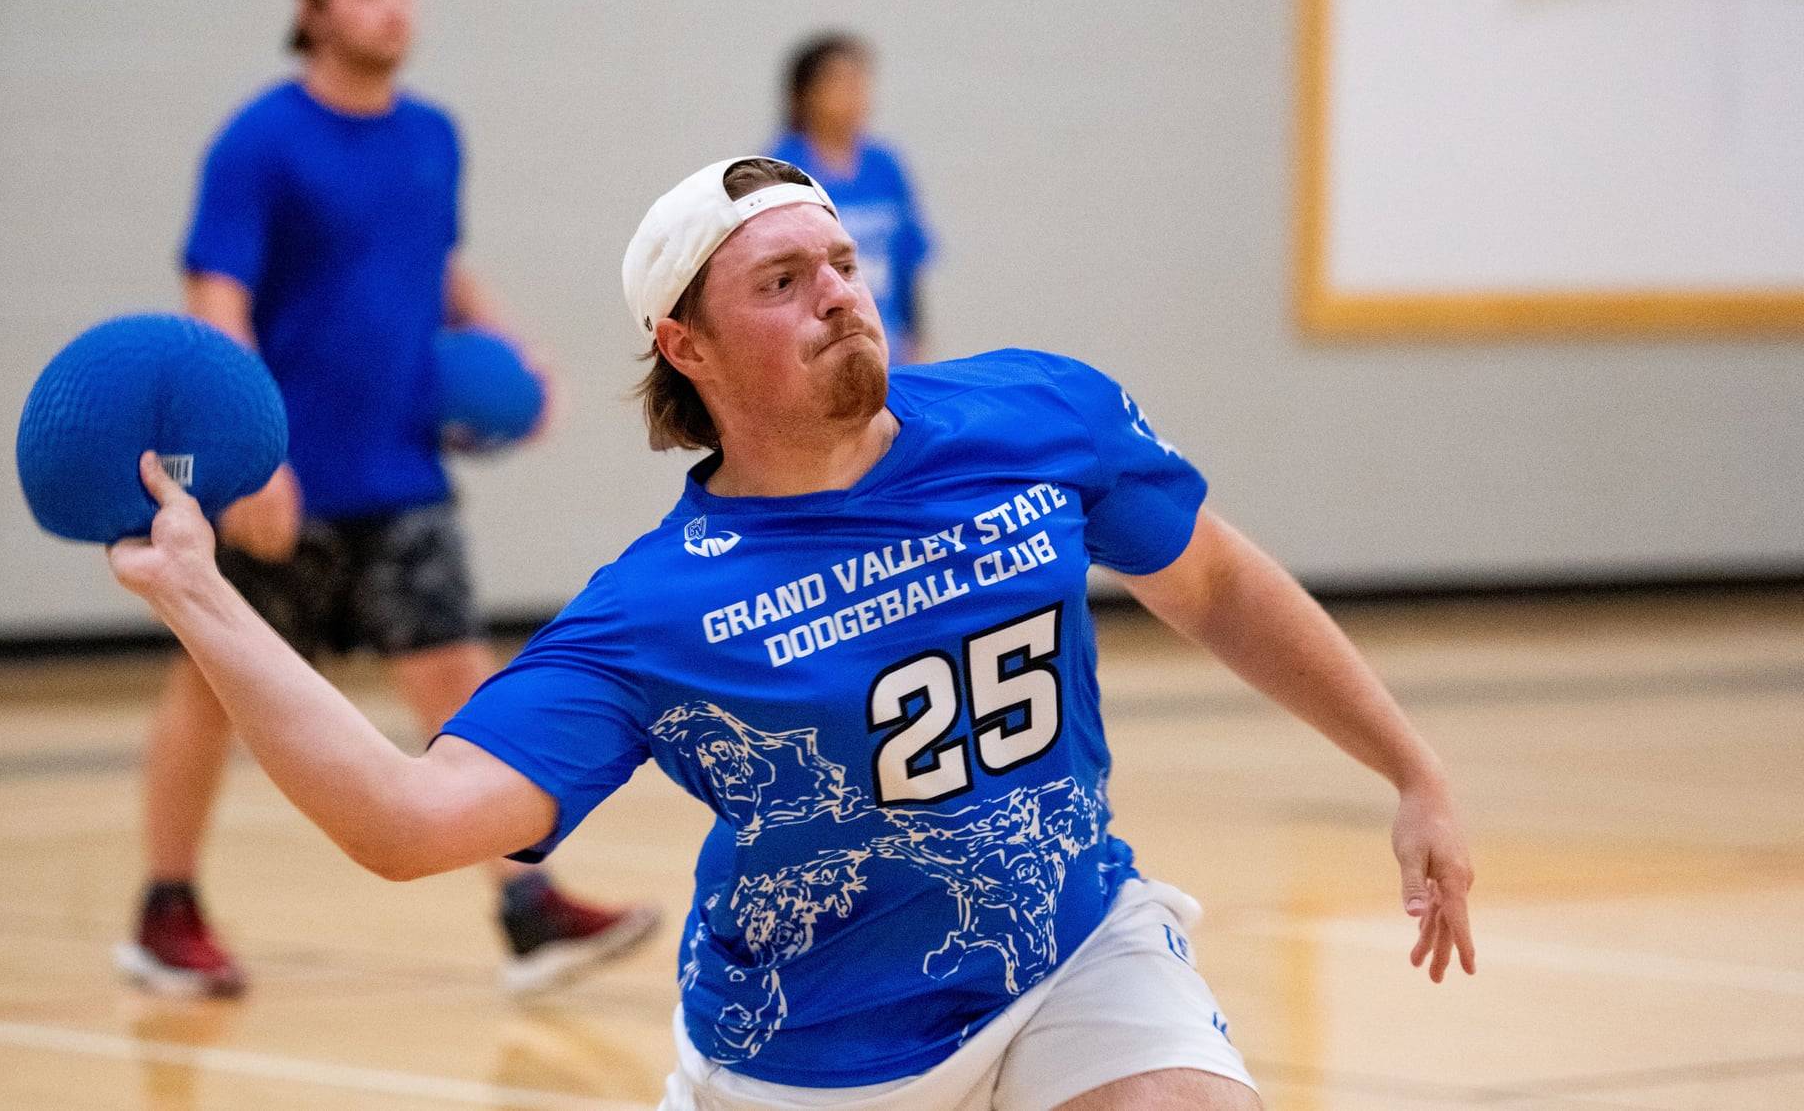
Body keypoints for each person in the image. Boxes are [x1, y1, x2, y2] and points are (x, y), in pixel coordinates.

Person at [109, 156, 1477, 1108]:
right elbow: (408, 823)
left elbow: (1215, 582)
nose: (837, 291)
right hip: (809, 1054)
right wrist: (201, 597)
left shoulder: (1036, 417)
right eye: (781, 281)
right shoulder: (659, 606)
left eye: (841, 261)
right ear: (687, 347)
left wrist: (1409, 767)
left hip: (1070, 952)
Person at [118, 0, 657, 999]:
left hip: (402, 468)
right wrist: (247, 454)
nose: (394, 7)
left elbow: (439, 266)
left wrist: (510, 349)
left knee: (460, 677)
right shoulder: (259, 142)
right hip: (285, 480)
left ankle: (526, 904)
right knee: (215, 690)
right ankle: (163, 909)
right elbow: (216, 299)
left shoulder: (432, 136)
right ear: (313, 10)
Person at [768, 33, 936, 364]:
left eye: (860, 83)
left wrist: (914, 336)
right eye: (840, 83)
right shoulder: (781, 168)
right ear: (806, 93)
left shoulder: (885, 165)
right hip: (816, 349)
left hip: (884, 344)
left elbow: (906, 261)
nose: (855, 95)